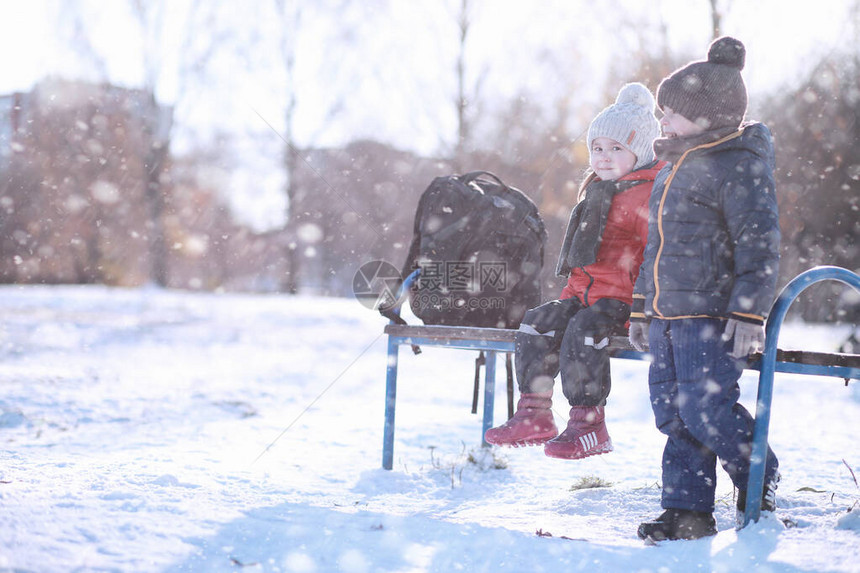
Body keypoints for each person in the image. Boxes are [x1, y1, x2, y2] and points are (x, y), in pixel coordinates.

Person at [628, 36, 782, 541]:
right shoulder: (672, 167)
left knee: (705, 407)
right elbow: (655, 248)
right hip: (667, 315)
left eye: (670, 112)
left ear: (709, 115)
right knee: (672, 412)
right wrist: (640, 310)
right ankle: (687, 511)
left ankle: (758, 473)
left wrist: (748, 313)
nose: (662, 121)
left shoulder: (737, 162)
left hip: (712, 315)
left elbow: (758, 245)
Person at [484, 82, 665, 460]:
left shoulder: (648, 195)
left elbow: (656, 253)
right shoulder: (598, 190)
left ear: (642, 151)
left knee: (583, 332)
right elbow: (586, 260)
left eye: (617, 148)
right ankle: (534, 412)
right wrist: (569, 300)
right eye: (597, 147)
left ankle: (589, 423)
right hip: (584, 296)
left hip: (623, 303)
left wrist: (643, 308)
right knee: (538, 321)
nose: (603, 156)